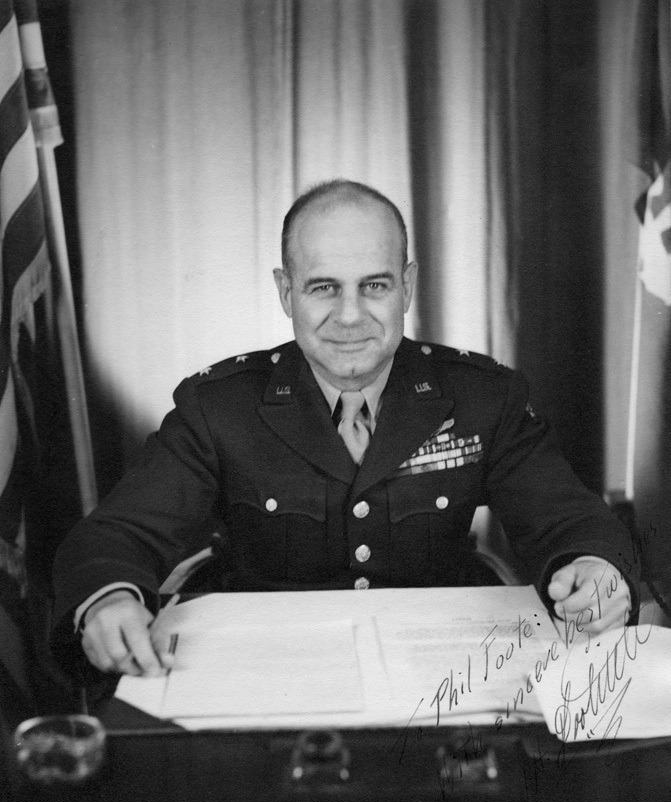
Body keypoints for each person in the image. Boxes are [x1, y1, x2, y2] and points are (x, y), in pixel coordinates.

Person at [52, 179, 636, 677]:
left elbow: (571, 519)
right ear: (286, 292)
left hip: (438, 674)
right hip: (263, 672)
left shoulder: (483, 397)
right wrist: (109, 597)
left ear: (407, 284)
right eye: (323, 287)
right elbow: (119, 534)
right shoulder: (220, 407)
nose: (351, 315)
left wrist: (594, 569)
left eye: (375, 285)